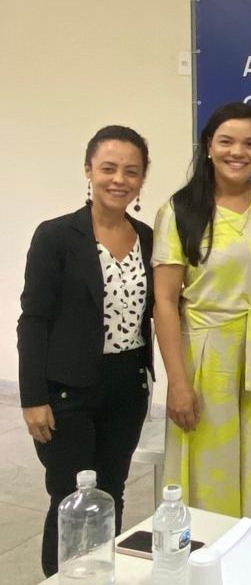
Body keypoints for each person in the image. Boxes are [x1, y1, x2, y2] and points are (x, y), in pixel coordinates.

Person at [18, 126, 153, 577]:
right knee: (70, 497)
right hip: (67, 389)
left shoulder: (148, 238)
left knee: (111, 492)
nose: (119, 179)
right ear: (89, 171)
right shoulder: (56, 236)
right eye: (108, 168)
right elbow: (33, 320)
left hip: (127, 386)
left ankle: (102, 575)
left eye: (131, 171)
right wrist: (32, 397)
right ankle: (59, 579)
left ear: (142, 178)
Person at [152, 101, 251, 526]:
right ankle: (208, 552)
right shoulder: (179, 210)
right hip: (208, 356)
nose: (238, 152)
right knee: (212, 468)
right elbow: (165, 302)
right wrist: (177, 382)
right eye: (227, 141)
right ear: (209, 146)